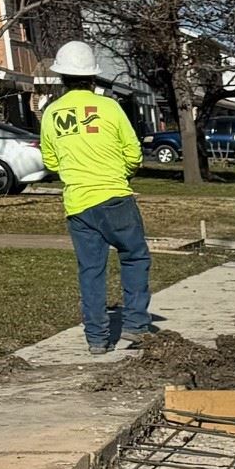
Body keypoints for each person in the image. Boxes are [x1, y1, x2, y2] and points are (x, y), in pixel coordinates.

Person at [39, 40, 152, 356]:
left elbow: (50, 161)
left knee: (91, 270)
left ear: (62, 77)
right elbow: (133, 152)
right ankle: (135, 324)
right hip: (115, 198)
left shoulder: (51, 113)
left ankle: (97, 339)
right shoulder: (110, 108)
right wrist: (122, 172)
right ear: (92, 77)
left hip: (78, 204)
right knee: (135, 256)